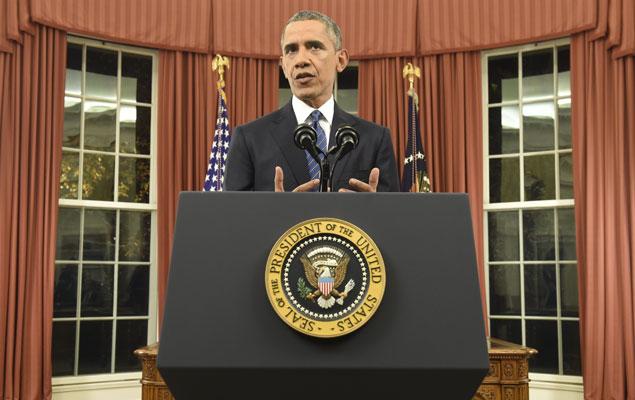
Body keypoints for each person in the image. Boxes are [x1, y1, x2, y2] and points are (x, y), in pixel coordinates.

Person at [224, 10, 399, 192]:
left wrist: (376, 208)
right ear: (284, 66)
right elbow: (232, 216)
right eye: (291, 50)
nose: (301, 60)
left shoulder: (375, 139)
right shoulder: (249, 138)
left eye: (314, 47)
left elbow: (393, 217)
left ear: (340, 60)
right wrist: (275, 211)